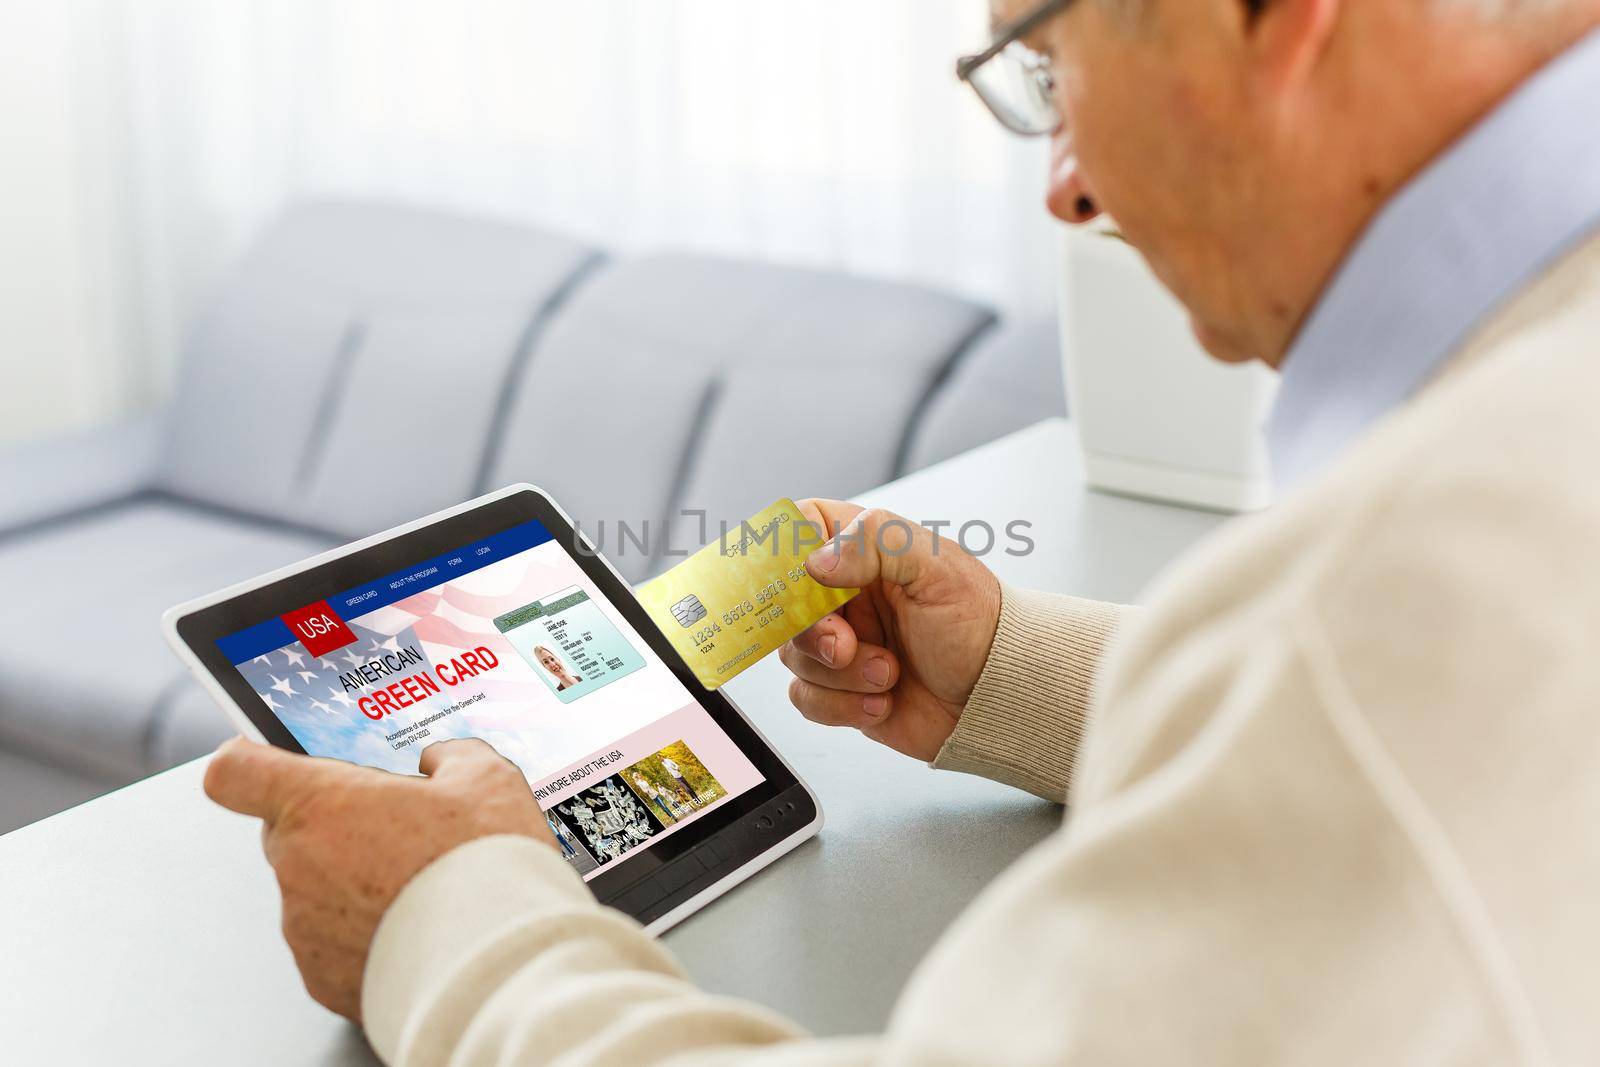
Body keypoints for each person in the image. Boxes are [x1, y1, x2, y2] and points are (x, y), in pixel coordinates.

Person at [202, 0, 1600, 1062]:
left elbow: (1379, 690)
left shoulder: (1421, 566)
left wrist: (447, 919)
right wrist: (1020, 674)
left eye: (1051, 71)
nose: (1068, 186)